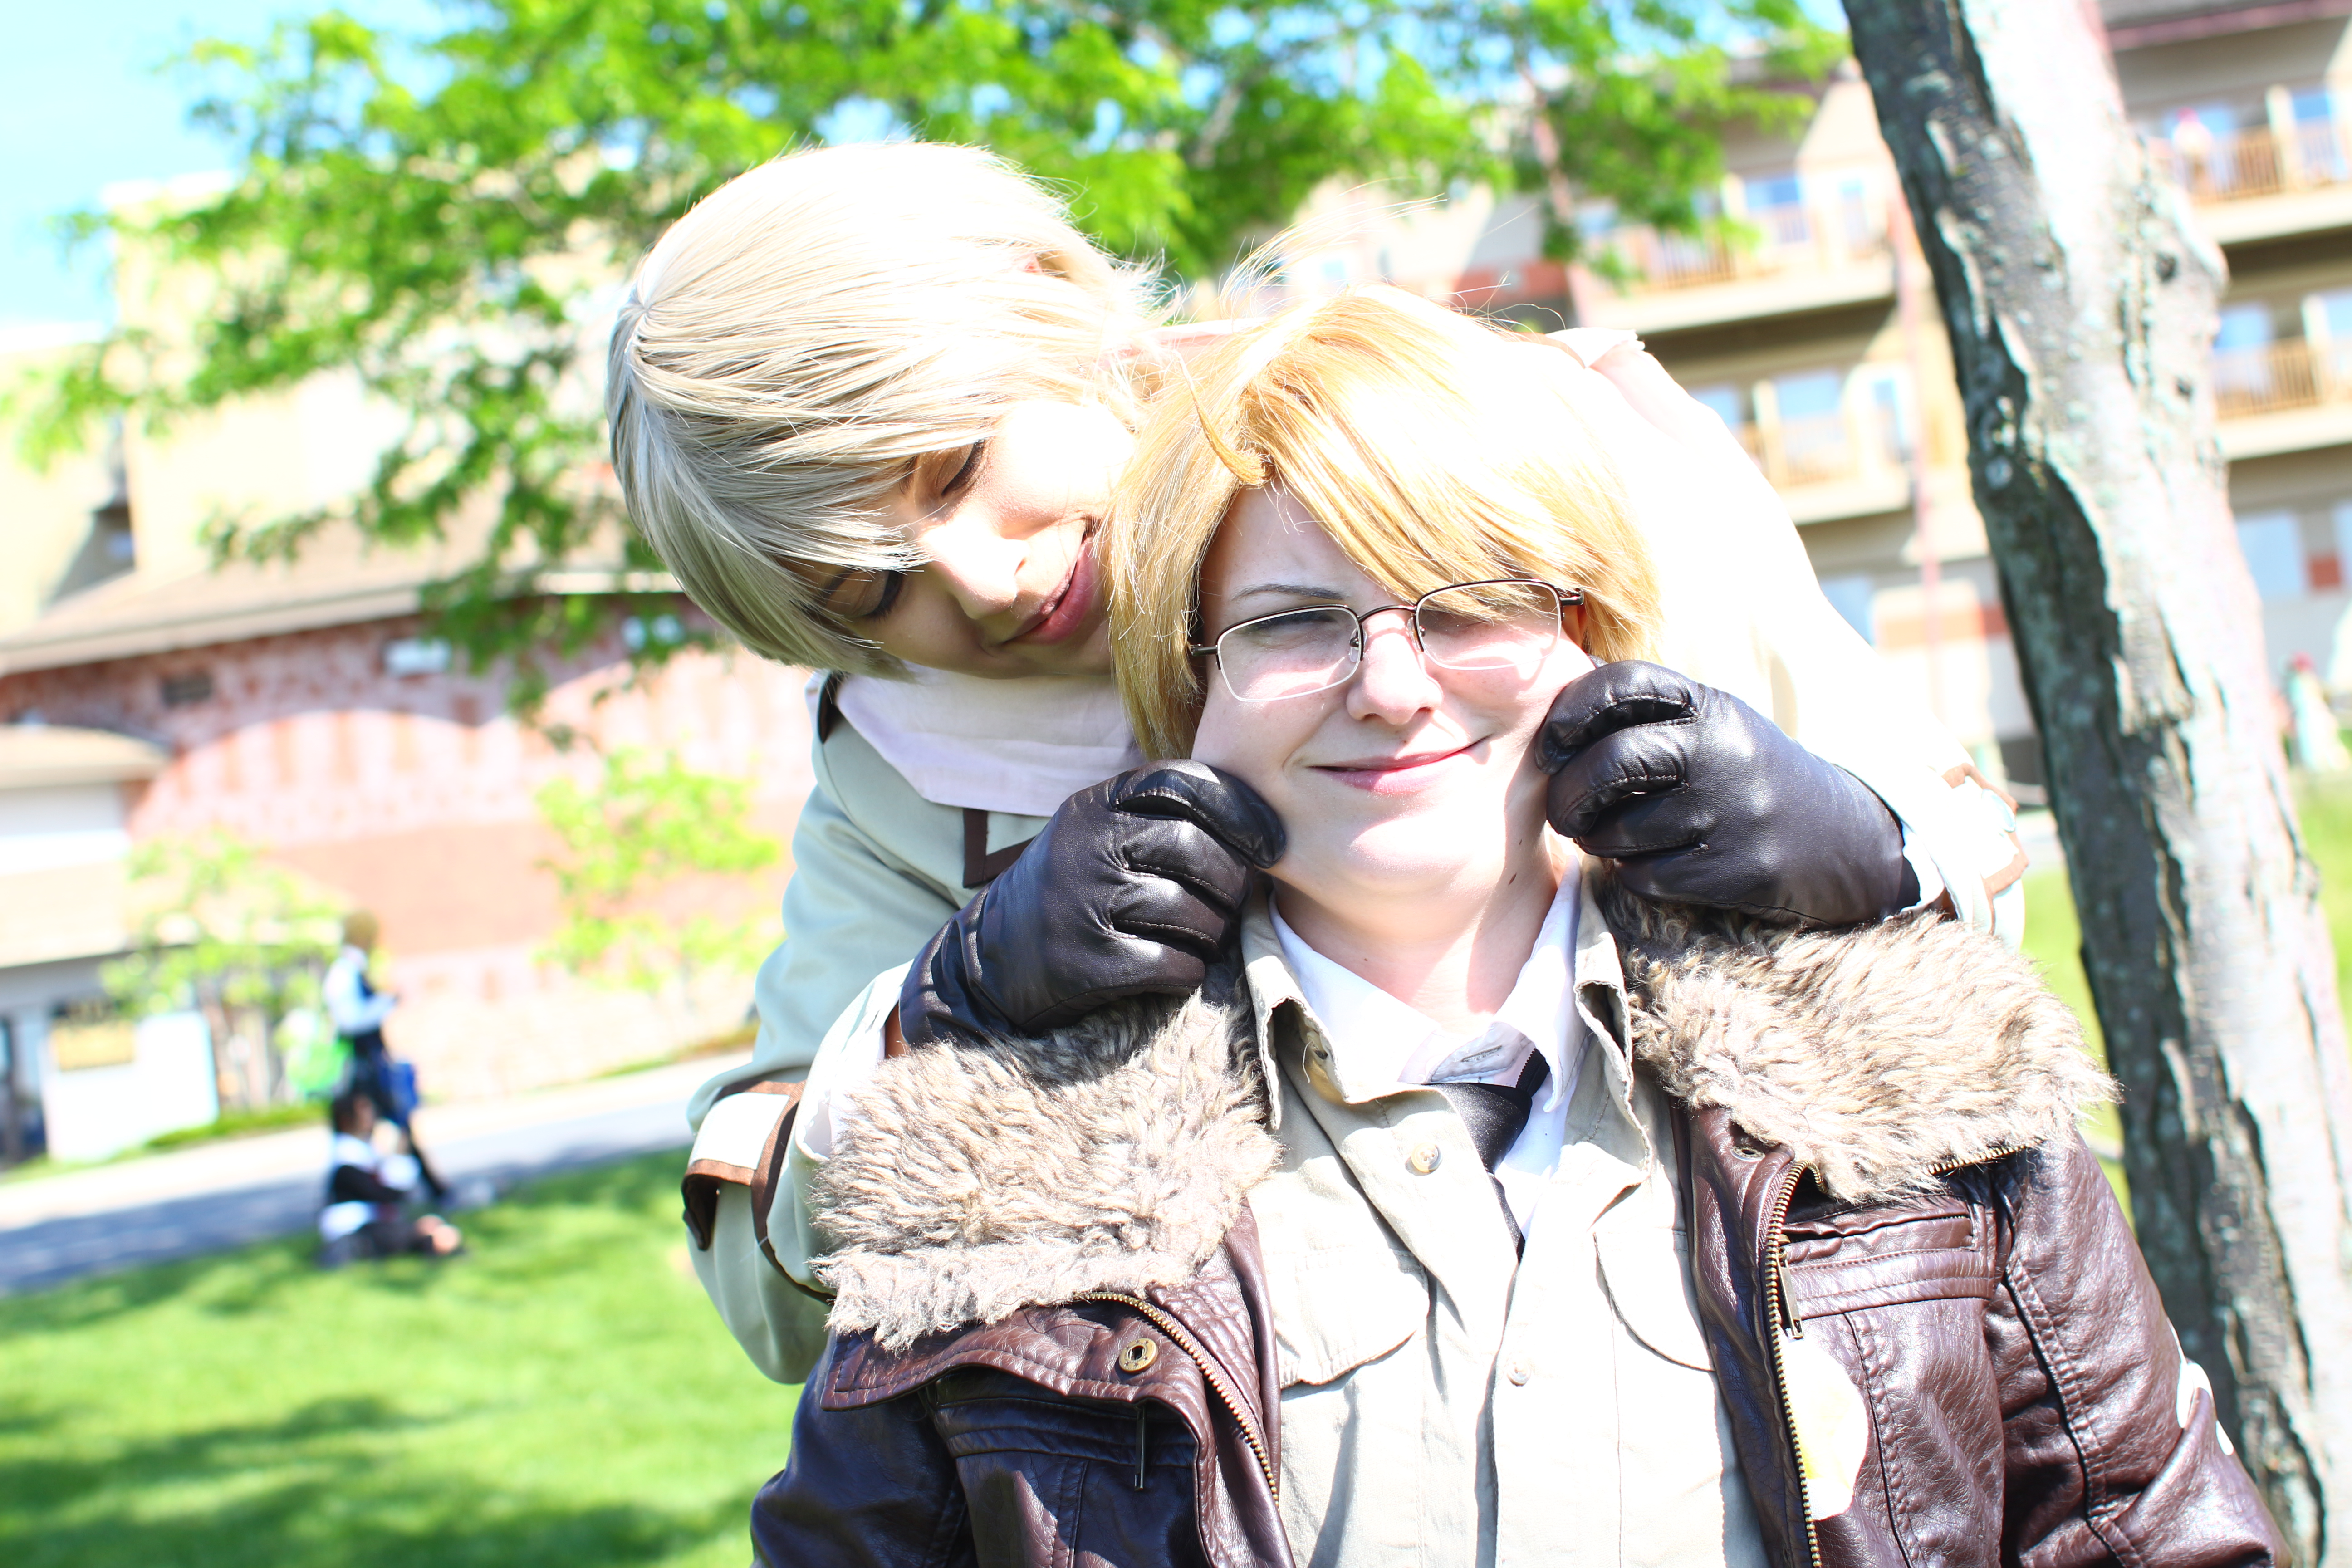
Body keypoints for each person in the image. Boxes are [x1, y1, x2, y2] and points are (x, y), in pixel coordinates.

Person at [747, 289, 2278, 1568]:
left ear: (1595, 638)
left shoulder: (1906, 1082)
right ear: (1182, 694)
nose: (1393, 683)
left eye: (1469, 598)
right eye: (1289, 622)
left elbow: (2139, 1522)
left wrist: (1886, 846)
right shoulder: (998, 1170)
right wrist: (951, 1008)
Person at [612, 142, 2026, 1382]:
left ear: (1049, 298)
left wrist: (1870, 851)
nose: (977, 581)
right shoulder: (899, 782)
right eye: (871, 600)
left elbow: (1981, 903)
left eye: (950, 467)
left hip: (1754, 1338)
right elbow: (771, 1296)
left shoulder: (1515, 437)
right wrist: (952, 1005)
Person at [323, 911, 446, 1200]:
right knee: (380, 1129)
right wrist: (384, 1003)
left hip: (371, 1067)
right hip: (361, 1071)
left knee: (395, 1128)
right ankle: (393, 1193)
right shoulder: (344, 973)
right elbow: (349, 1020)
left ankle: (411, 1191)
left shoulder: (353, 970)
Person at [318, 1087, 463, 1267]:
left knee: (433, 1225)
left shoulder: (364, 1151)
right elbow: (388, 1194)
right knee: (431, 1232)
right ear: (346, 1119)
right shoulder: (347, 1159)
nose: (371, 1115)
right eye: (364, 1110)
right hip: (357, 1232)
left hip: (374, 1226)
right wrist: (397, 1156)